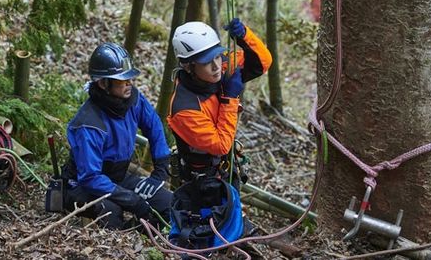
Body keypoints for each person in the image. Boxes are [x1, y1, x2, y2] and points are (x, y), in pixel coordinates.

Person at [167, 19, 272, 249]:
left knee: (229, 220)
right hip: (202, 181)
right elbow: (220, 144)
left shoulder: (220, 69)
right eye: (207, 62)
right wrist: (229, 99)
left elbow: (262, 63)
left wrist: (244, 36)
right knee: (207, 234)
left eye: (217, 57)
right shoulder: (184, 109)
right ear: (188, 66)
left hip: (225, 169)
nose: (216, 66)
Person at [61, 43, 172, 229]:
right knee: (111, 213)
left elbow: (154, 127)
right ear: (104, 83)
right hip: (83, 186)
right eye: (122, 79)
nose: (129, 83)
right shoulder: (88, 123)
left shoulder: (133, 100)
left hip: (118, 177)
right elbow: (90, 177)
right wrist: (131, 200)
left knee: (167, 203)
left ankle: (144, 235)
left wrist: (160, 170)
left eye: (130, 78)